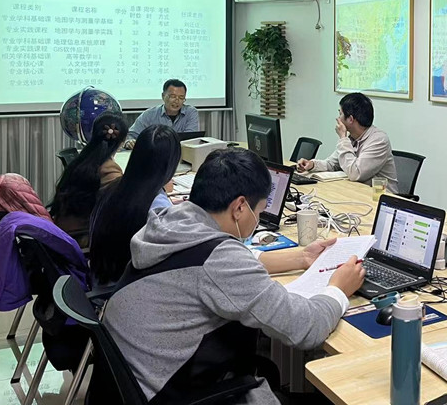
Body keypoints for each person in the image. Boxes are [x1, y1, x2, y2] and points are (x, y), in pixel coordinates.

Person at [102, 148, 366, 403]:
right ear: (240, 207)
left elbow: (214, 263)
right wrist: (338, 290)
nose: (258, 218)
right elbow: (306, 327)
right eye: (259, 211)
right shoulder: (220, 260)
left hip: (135, 380)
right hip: (173, 392)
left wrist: (301, 258)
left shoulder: (171, 221)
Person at [89, 125, 181, 288]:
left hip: (101, 281)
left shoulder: (114, 187)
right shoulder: (157, 207)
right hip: (127, 290)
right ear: (171, 164)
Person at [296, 92, 399, 193]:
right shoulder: (352, 138)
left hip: (380, 198)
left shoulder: (379, 140)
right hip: (358, 192)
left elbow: (355, 173)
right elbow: (332, 164)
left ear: (350, 119)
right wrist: (312, 164)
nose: (338, 119)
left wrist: (342, 138)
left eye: (340, 114)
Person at [50, 112, 127, 242]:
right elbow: (118, 211)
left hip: (64, 230)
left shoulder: (81, 160)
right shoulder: (110, 171)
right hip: (82, 239)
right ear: (121, 142)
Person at [125, 79, 199, 149]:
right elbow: (131, 135)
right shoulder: (150, 114)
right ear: (163, 96)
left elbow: (190, 140)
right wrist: (129, 142)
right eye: (172, 96)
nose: (177, 101)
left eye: (181, 97)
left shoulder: (190, 113)